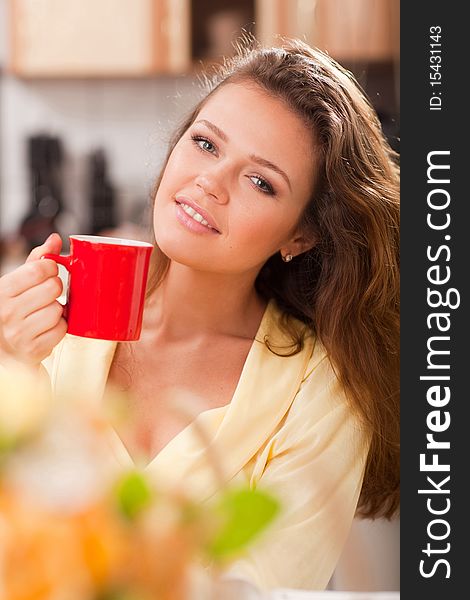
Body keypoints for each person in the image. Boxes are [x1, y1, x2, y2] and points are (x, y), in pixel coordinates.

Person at [0, 38, 400, 591]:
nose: (209, 181)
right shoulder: (51, 324)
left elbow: (261, 588)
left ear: (301, 235)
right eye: (206, 144)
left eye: (260, 181)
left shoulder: (319, 391)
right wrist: (8, 367)